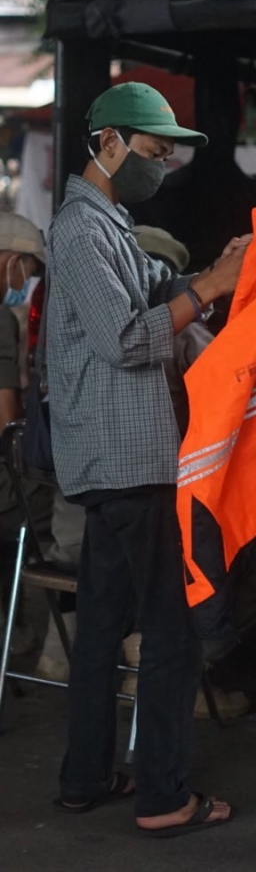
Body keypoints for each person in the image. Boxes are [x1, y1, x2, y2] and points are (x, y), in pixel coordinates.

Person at [46, 81, 250, 835]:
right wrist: (213, 289)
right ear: (106, 145)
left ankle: (85, 775)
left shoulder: (112, 222)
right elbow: (128, 339)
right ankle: (165, 797)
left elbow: (154, 295)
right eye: (154, 152)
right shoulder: (79, 229)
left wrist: (209, 276)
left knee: (101, 624)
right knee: (171, 626)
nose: (162, 166)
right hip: (129, 458)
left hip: (116, 459)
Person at [0, 214, 51, 653]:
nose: (26, 284)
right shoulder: (2, 319)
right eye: (28, 273)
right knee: (48, 506)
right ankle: (22, 637)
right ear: (12, 262)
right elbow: (5, 417)